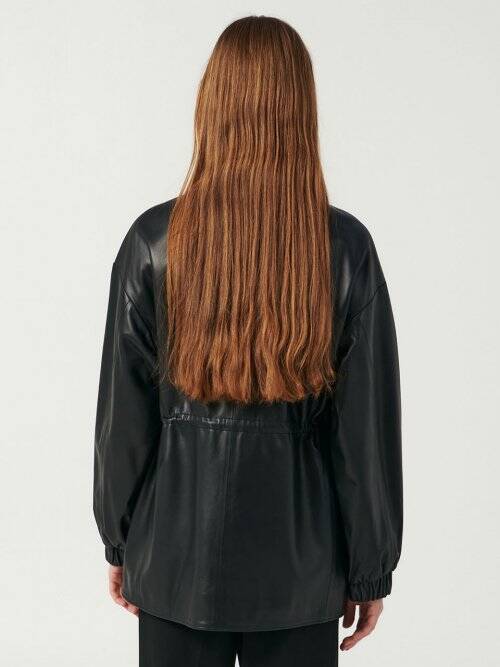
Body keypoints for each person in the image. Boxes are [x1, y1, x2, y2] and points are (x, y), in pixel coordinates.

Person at [93, 15, 403, 667]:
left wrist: (121, 540)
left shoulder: (153, 242)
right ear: (301, 113)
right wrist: (370, 568)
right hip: (303, 573)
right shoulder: (345, 248)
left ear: (212, 106)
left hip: (174, 562)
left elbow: (123, 422)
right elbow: (364, 434)